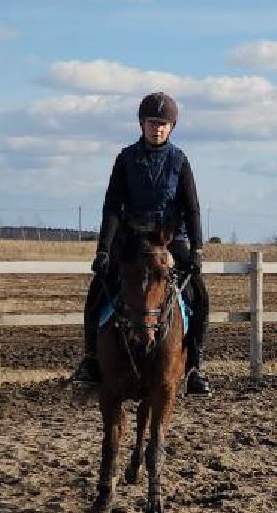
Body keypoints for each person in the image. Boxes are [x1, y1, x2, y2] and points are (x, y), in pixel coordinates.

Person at [72, 91, 213, 396]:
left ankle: (195, 368)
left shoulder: (180, 160)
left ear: (172, 127)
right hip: (131, 240)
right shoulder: (125, 159)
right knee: (98, 291)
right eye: (152, 122)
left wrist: (197, 251)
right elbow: (112, 207)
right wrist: (104, 250)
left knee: (199, 295)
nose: (157, 128)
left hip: (169, 240)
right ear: (141, 123)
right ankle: (91, 359)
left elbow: (192, 209)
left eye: (163, 124)